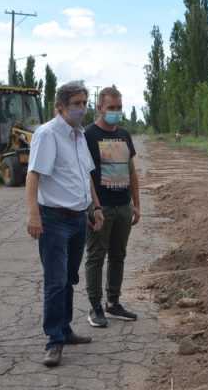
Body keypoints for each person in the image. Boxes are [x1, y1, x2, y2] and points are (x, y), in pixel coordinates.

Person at [25, 80, 105, 367]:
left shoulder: (78, 135)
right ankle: (54, 340)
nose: (82, 109)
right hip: (54, 220)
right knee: (56, 281)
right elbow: (33, 175)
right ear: (60, 106)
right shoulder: (47, 134)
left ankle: (66, 329)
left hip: (78, 219)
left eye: (84, 103)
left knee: (69, 278)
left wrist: (96, 207)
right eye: (76, 104)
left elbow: (86, 176)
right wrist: (33, 214)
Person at [84, 86, 141, 328]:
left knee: (118, 256)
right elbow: (85, 174)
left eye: (119, 108)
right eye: (111, 108)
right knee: (96, 256)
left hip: (123, 206)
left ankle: (113, 303)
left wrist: (136, 204)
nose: (116, 112)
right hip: (101, 208)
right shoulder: (89, 135)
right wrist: (94, 206)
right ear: (100, 108)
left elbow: (131, 171)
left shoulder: (124, 135)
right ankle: (95, 307)